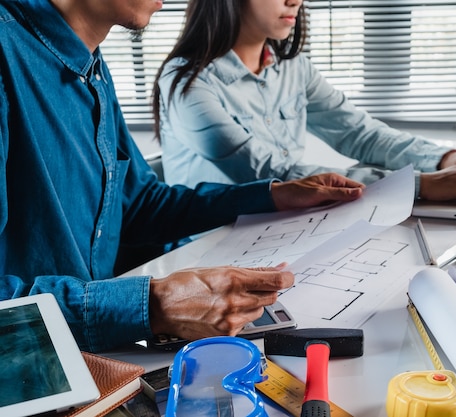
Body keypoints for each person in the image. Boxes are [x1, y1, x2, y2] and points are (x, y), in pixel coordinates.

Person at [0, 0, 365, 353]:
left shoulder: (90, 64)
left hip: (95, 356)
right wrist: (154, 305)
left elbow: (139, 206)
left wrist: (270, 196)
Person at [154, 0, 456, 203]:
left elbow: (359, 133)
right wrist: (421, 184)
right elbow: (271, 174)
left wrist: (446, 159)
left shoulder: (292, 67)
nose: (294, 0)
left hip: (283, 229)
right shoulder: (188, 83)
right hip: (211, 249)